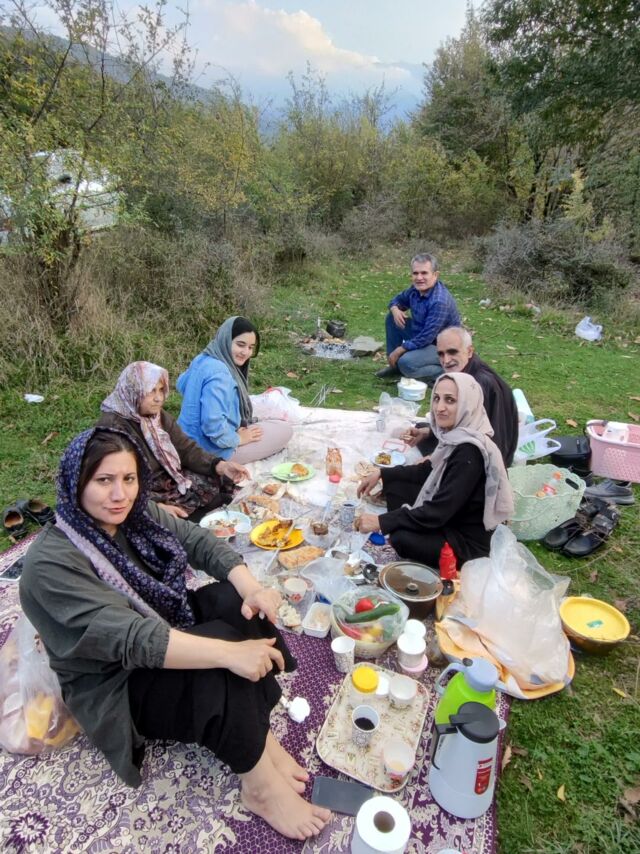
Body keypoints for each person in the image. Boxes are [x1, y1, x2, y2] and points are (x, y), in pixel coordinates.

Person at [19, 428, 331, 841]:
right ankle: (260, 788)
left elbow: (197, 541)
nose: (119, 495)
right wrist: (227, 653)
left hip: (163, 623)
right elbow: (131, 637)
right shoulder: (49, 565)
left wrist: (253, 588)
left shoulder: (135, 514)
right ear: (76, 482)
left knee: (231, 601)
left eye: (128, 478)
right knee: (215, 668)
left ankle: (258, 732)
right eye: (104, 480)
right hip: (116, 680)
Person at [356, 373, 514, 566]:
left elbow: (438, 512)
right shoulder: (455, 436)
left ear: (467, 404)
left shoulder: (469, 452)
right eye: (437, 398)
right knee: (396, 485)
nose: (439, 408)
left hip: (465, 540)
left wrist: (382, 521)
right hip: (451, 517)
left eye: (450, 400)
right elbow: (427, 471)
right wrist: (382, 473)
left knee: (401, 538)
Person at [98, 361, 250, 522]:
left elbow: (186, 448)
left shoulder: (156, 416)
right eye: (151, 391)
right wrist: (156, 506)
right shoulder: (113, 429)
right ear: (132, 391)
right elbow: (117, 482)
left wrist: (220, 465)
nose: (158, 398)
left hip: (168, 476)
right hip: (141, 489)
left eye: (161, 390)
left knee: (218, 478)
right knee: (166, 518)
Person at [177, 317, 293, 464]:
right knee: (285, 430)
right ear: (226, 340)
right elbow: (212, 424)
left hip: (184, 441)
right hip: (208, 452)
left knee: (266, 423)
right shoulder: (220, 374)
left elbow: (181, 384)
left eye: (250, 347)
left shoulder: (204, 358)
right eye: (240, 345)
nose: (246, 352)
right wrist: (238, 438)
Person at [403, 327, 519, 466]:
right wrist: (428, 432)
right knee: (422, 429)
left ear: (469, 351)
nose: (446, 360)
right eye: (441, 354)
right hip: (467, 438)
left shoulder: (479, 384)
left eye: (452, 352)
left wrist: (433, 459)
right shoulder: (464, 371)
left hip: (484, 454)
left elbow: (483, 439)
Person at [375, 253, 460, 383]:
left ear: (435, 275)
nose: (419, 278)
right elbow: (396, 300)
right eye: (415, 273)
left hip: (444, 347)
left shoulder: (439, 301)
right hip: (423, 336)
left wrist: (400, 350)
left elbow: (426, 337)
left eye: (424, 273)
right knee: (392, 318)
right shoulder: (415, 290)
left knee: (406, 362)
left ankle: (447, 372)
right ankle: (394, 366)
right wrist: (395, 309)